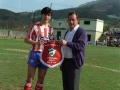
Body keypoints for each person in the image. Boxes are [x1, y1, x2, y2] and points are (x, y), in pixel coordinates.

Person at [24, 7, 53, 90]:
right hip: (34, 53)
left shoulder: (51, 29)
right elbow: (26, 39)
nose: (46, 17)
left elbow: (50, 43)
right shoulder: (34, 26)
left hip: (45, 56)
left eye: (48, 15)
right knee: (30, 79)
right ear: (42, 15)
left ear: (50, 17)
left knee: (41, 80)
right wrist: (36, 43)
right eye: (45, 14)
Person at [57, 11, 87, 90]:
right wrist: (62, 62)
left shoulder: (81, 32)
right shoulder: (67, 32)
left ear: (78, 20)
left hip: (74, 63)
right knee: (66, 87)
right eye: (69, 19)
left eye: (73, 20)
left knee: (73, 87)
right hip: (66, 62)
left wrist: (66, 43)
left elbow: (81, 46)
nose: (71, 22)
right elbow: (65, 49)